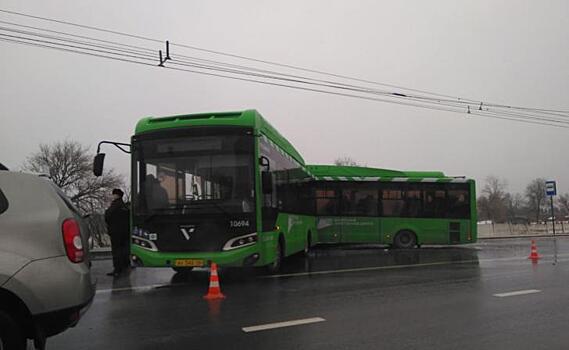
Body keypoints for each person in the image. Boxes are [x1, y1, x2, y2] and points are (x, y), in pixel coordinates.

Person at [104, 188, 130, 277]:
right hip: (125, 232)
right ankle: (125, 266)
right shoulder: (125, 206)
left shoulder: (114, 205)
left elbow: (107, 216)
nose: (112, 196)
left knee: (116, 251)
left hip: (116, 232)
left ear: (116, 195)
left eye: (113, 194)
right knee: (124, 250)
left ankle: (117, 270)